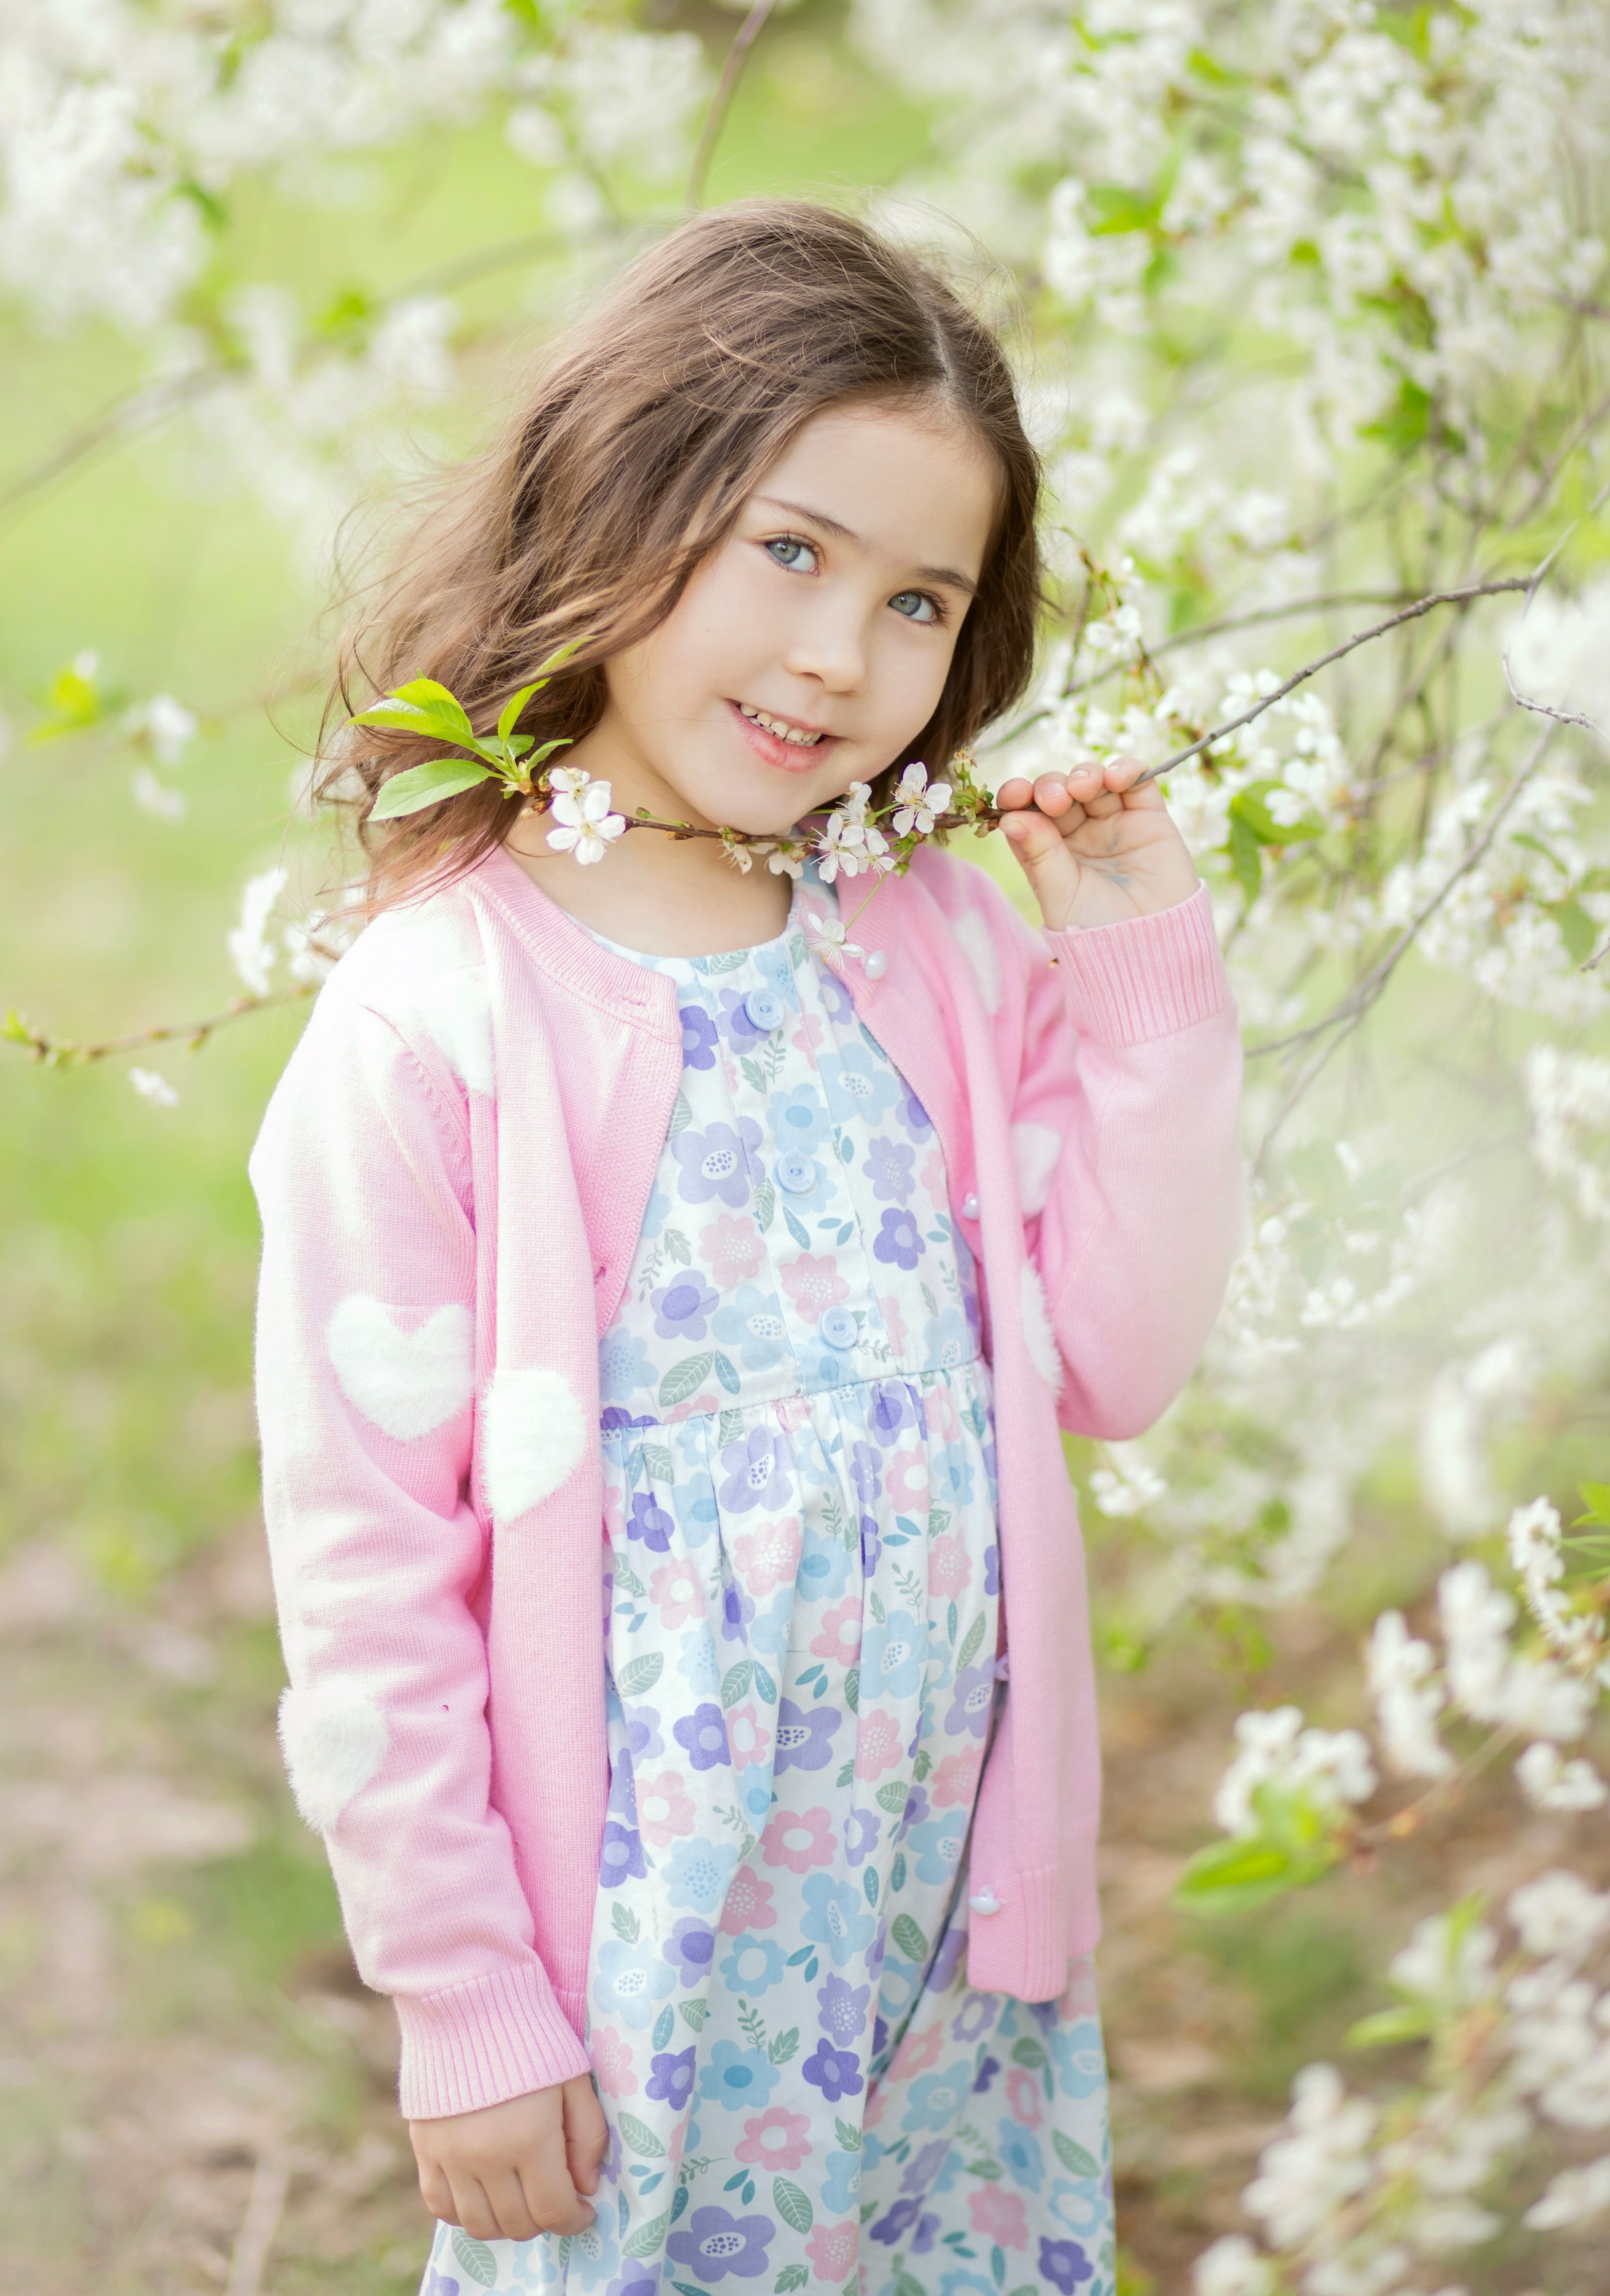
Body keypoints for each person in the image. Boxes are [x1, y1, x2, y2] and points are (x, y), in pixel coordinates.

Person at [249, 200, 1244, 2296]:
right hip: (643, 1955)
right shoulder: (445, 1015)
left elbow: (1115, 1360)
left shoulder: (939, 949)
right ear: (628, 489)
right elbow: (368, 1572)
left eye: (914, 600)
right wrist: (468, 1998)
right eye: (786, 550)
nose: (833, 656)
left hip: (936, 1939)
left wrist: (1139, 966)